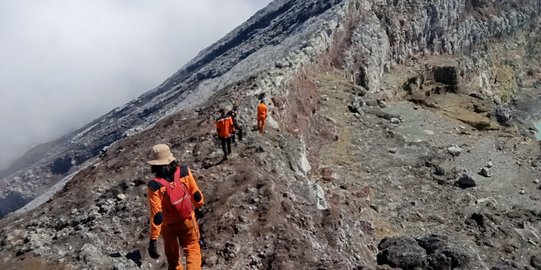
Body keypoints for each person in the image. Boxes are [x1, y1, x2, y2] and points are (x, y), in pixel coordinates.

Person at [146, 144, 204, 270]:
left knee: (173, 259)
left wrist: (153, 239)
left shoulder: (154, 185)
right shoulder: (184, 171)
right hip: (188, 220)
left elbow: (157, 216)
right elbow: (196, 195)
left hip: (169, 227)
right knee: (192, 248)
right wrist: (198, 207)